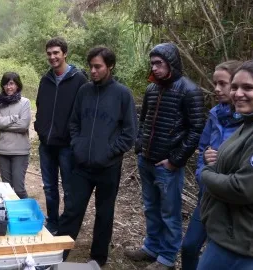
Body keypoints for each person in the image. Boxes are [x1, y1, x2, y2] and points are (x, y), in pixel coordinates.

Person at [124, 43, 205, 270]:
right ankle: (152, 247)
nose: (155, 68)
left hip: (167, 165)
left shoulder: (189, 90)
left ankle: (167, 257)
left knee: (170, 213)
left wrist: (175, 160)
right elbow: (145, 121)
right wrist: (139, 145)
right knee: (151, 207)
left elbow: (197, 128)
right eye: (153, 63)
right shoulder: (152, 89)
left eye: (159, 63)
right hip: (146, 160)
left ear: (171, 63)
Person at [57, 46, 137, 266]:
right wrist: (78, 145)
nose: (92, 71)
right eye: (90, 66)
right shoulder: (84, 91)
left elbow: (130, 133)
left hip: (108, 166)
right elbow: (74, 122)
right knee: (72, 210)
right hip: (82, 165)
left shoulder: (122, 94)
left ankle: (98, 258)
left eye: (98, 66)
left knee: (104, 213)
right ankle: (58, 255)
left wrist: (110, 152)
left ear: (109, 66)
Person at [181, 60, 243, 270]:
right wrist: (202, 174)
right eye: (215, 83)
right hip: (207, 196)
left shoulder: (246, 124)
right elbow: (203, 149)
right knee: (189, 247)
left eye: (223, 84)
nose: (216, 89)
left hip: (234, 206)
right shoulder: (216, 114)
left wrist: (220, 163)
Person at [197, 60, 253, 269]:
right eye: (236, 87)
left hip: (239, 245)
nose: (238, 94)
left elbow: (242, 188)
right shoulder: (246, 125)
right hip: (225, 235)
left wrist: (206, 174)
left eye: (248, 87)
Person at [34, 37, 87, 234]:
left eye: (56, 53)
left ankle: (68, 226)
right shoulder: (45, 79)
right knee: (49, 187)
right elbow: (40, 105)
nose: (52, 57)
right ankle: (53, 222)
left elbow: (83, 111)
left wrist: (75, 139)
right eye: (49, 53)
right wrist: (40, 127)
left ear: (65, 53)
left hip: (67, 145)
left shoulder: (79, 79)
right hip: (46, 143)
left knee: (69, 188)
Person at [0, 72, 31, 199]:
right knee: (6, 189)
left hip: (20, 151)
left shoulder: (25, 102)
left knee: (18, 189)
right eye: (6, 84)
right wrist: (13, 118)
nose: (9, 87)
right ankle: (11, 217)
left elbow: (23, 125)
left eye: (12, 84)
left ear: (17, 85)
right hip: (2, 150)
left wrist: (3, 124)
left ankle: (27, 214)